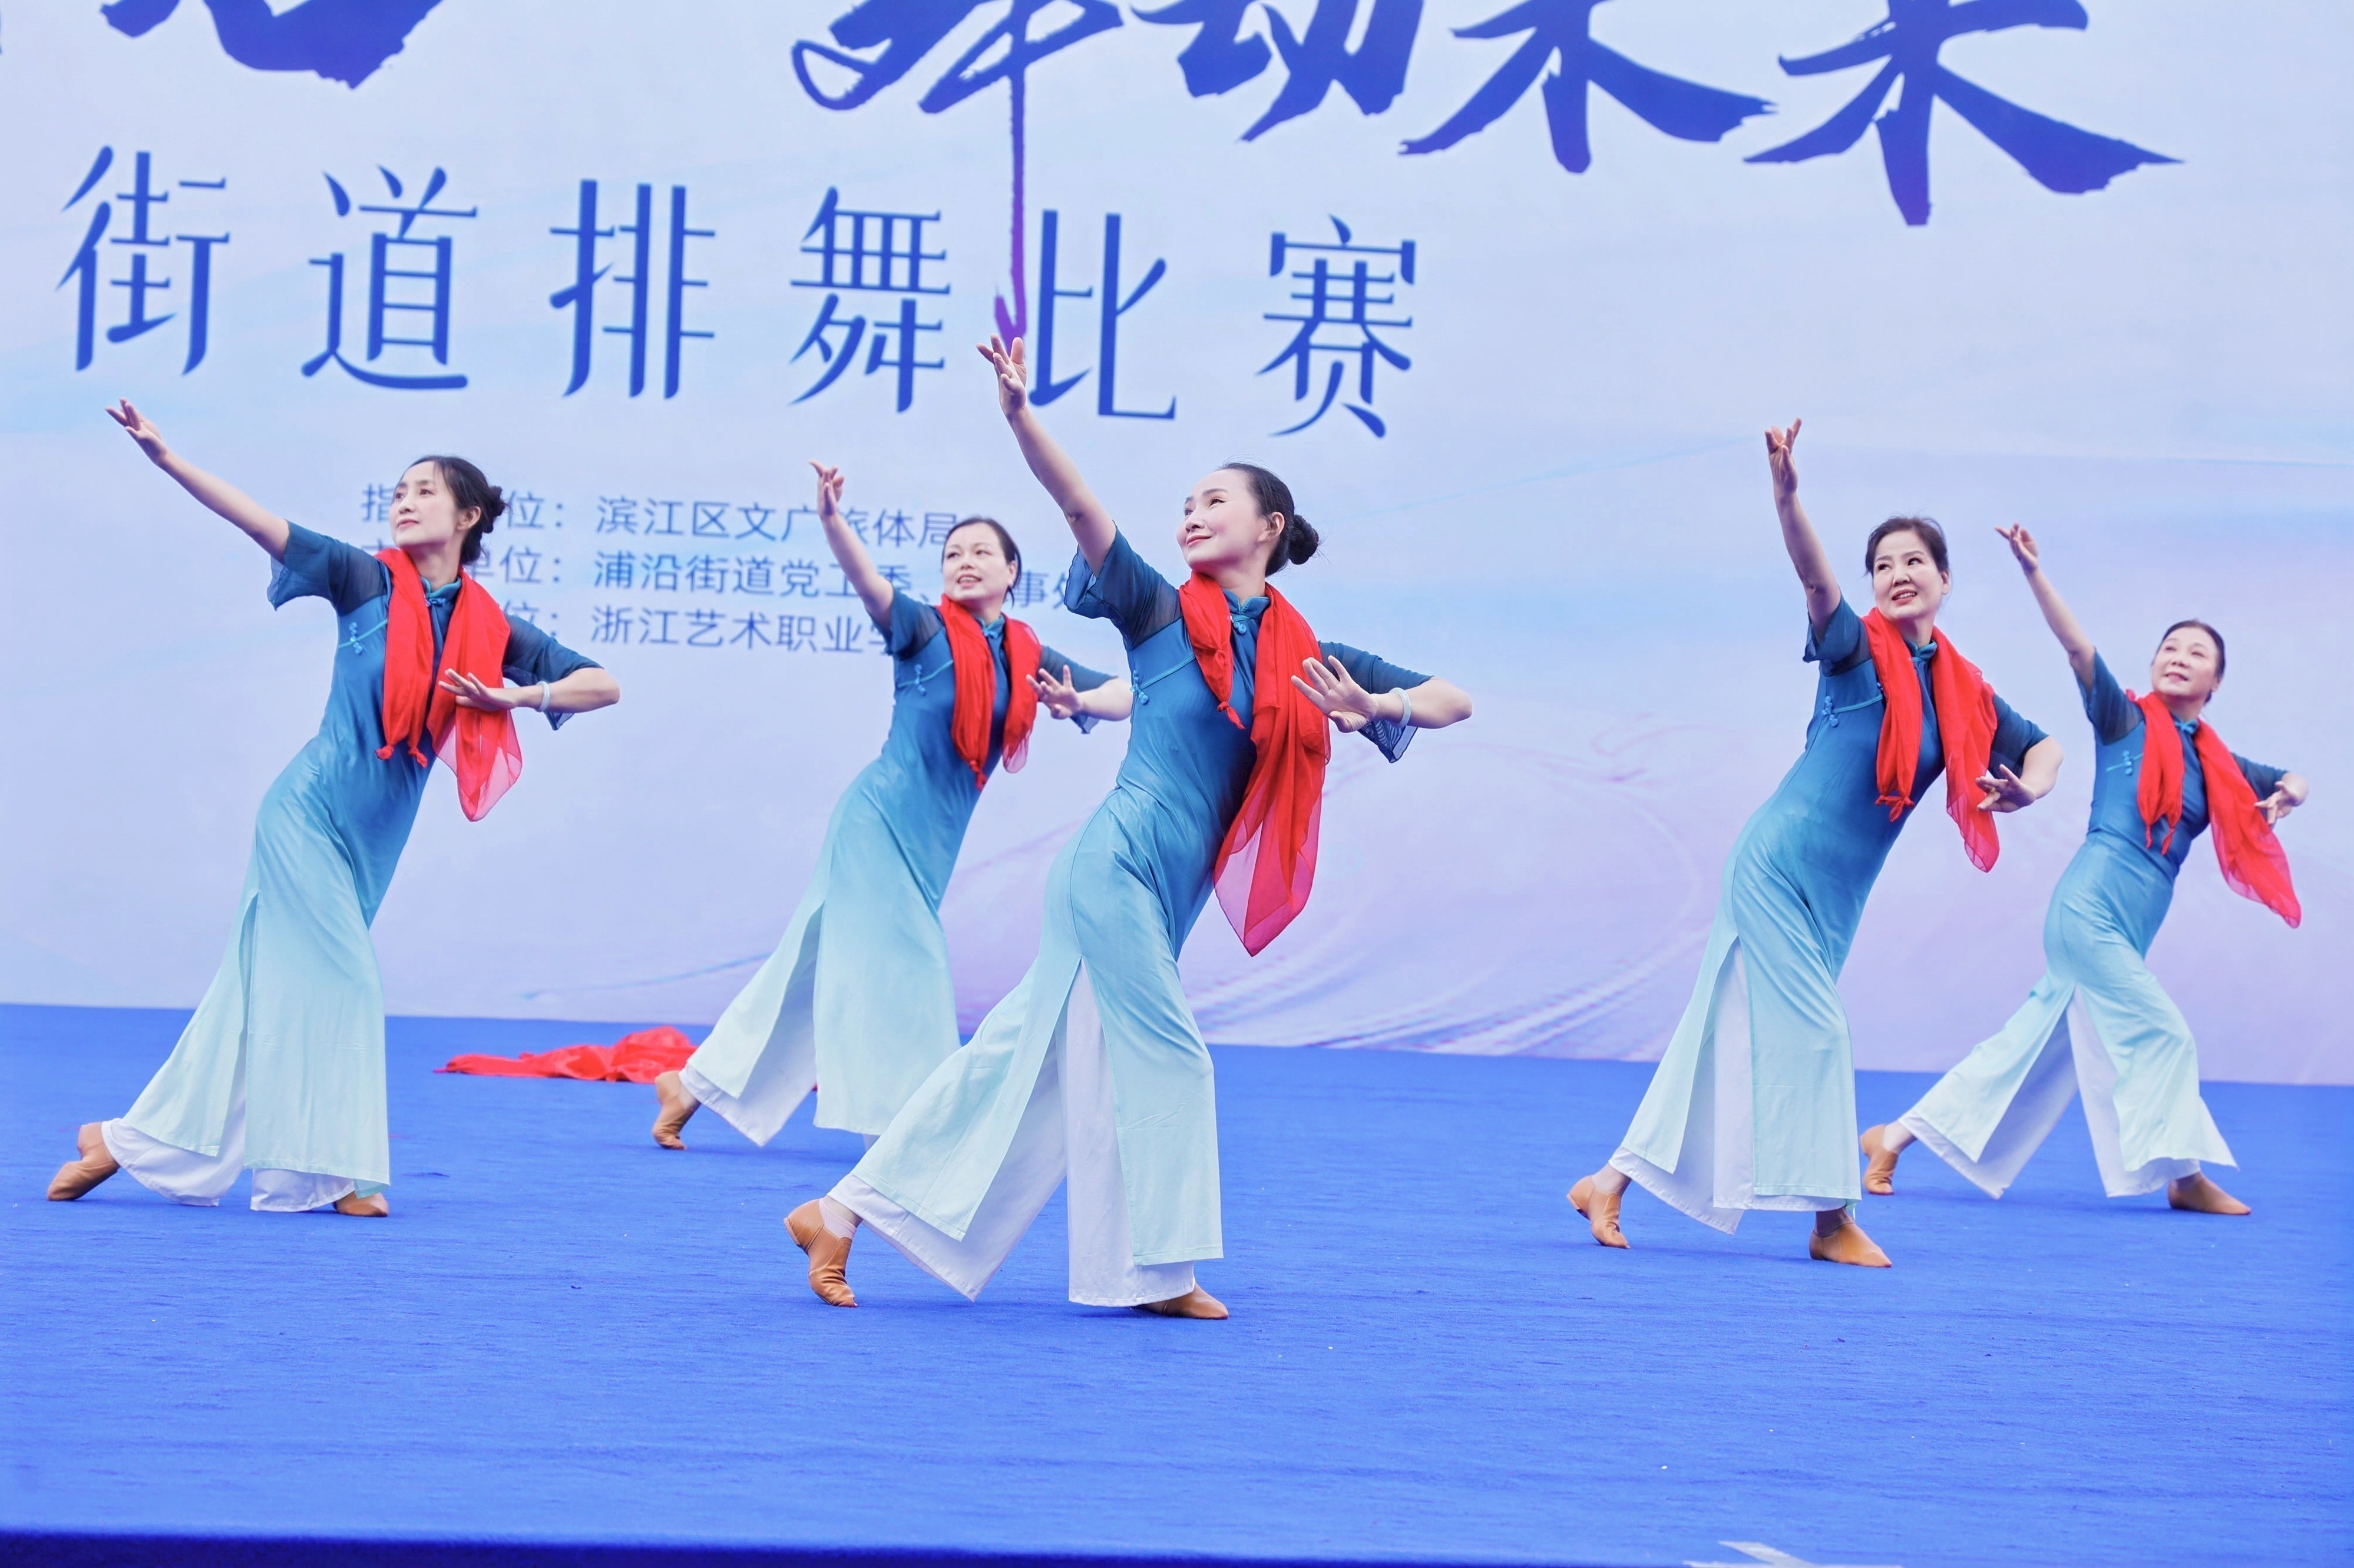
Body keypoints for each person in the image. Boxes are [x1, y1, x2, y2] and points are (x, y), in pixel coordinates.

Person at [780, 336, 1474, 1314]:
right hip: (1113, 867)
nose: (1192, 513)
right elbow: (1080, 508)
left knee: (1025, 1060)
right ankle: (1162, 1269)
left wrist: (1377, 704)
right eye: (1186, 503)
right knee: (1171, 1055)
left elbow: (1453, 700)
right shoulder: (1156, 612)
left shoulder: (1307, 655)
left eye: (1215, 501)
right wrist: (1021, 414)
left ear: (1269, 526)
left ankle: (841, 1210)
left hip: (1159, 890)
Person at [48, 401, 618, 1216]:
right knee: (347, 983)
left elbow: (604, 684)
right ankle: (340, 1173)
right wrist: (169, 461)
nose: (405, 501)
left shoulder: (493, 628)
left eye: (425, 490)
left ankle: (121, 1139)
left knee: (258, 998)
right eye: (399, 491)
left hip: (373, 839)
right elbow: (260, 522)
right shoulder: (363, 577)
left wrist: (520, 695)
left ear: (469, 515)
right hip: (307, 814)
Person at [1568, 419, 2062, 1266]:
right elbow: (1812, 575)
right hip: (1777, 865)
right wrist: (1787, 493)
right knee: (1823, 1036)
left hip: (1837, 894)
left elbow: (2045, 746)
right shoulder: (1853, 650)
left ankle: (1607, 1180)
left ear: (1945, 578)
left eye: (1915, 561)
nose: (1898, 574)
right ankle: (1833, 1221)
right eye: (1884, 564)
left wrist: (2030, 788)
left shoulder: (1966, 690)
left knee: (1721, 1032)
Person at [651, 463, 1123, 1151]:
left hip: (932, 842)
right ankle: (924, 1125)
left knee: (809, 966)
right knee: (914, 961)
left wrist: (1079, 700)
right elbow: (870, 584)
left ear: (1013, 571)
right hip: (878, 823)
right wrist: (832, 520)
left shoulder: (1027, 654)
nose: (965, 562)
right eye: (953, 554)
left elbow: (1124, 694)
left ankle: (690, 1084)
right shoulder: (923, 630)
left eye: (981, 552)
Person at [1862, 527, 2305, 1213]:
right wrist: (2034, 572)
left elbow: (2289, 778)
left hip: (2128, 927)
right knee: (2165, 1032)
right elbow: (2077, 649)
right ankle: (2184, 1178)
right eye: (2170, 647)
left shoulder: (2218, 762)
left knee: (2022, 1053)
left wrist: (2290, 794)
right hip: (2087, 911)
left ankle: (1891, 1137)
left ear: (2215, 682)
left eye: (2197, 653)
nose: (2179, 658)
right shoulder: (2124, 721)